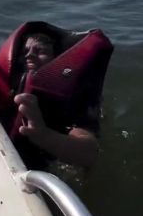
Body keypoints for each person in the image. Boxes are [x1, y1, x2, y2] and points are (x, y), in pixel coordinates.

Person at [13, 33, 100, 167]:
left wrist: (43, 135)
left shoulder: (71, 99)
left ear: (58, 60)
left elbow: (90, 154)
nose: (29, 55)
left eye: (40, 51)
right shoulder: (10, 87)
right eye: (25, 51)